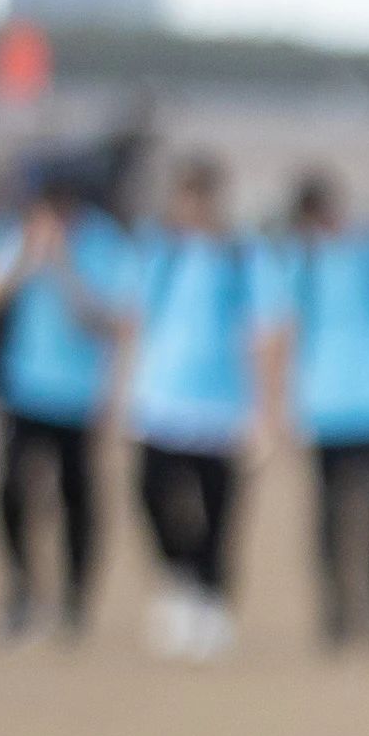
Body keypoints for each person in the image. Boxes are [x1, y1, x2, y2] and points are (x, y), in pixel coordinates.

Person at [0, 172, 130, 645]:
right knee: (10, 492)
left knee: (78, 500)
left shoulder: (104, 241)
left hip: (79, 395)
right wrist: (27, 262)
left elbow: (112, 321)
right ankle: (22, 590)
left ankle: (75, 600)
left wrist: (65, 266)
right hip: (21, 389)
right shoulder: (12, 232)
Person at [118, 152, 275, 657]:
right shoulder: (158, 251)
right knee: (152, 497)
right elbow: (134, 323)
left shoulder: (243, 255)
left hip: (222, 406)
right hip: (160, 401)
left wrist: (266, 412)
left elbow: (268, 332)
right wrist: (122, 391)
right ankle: (178, 579)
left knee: (219, 512)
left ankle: (211, 600)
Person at [271, 169, 369, 651]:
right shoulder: (304, 258)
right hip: (322, 401)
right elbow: (286, 328)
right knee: (327, 514)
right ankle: (335, 613)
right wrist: (281, 401)